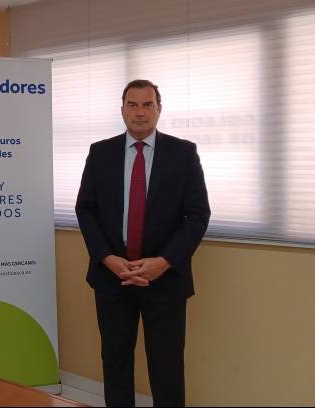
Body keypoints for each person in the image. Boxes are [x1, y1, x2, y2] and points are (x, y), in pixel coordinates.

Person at [75, 79, 210, 406]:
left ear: (159, 109)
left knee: (167, 366)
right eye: (132, 105)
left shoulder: (183, 153)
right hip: (112, 277)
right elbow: (86, 209)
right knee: (115, 361)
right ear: (122, 110)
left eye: (147, 105)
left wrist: (164, 262)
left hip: (165, 280)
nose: (140, 112)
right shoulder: (100, 152)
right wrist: (107, 258)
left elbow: (197, 214)